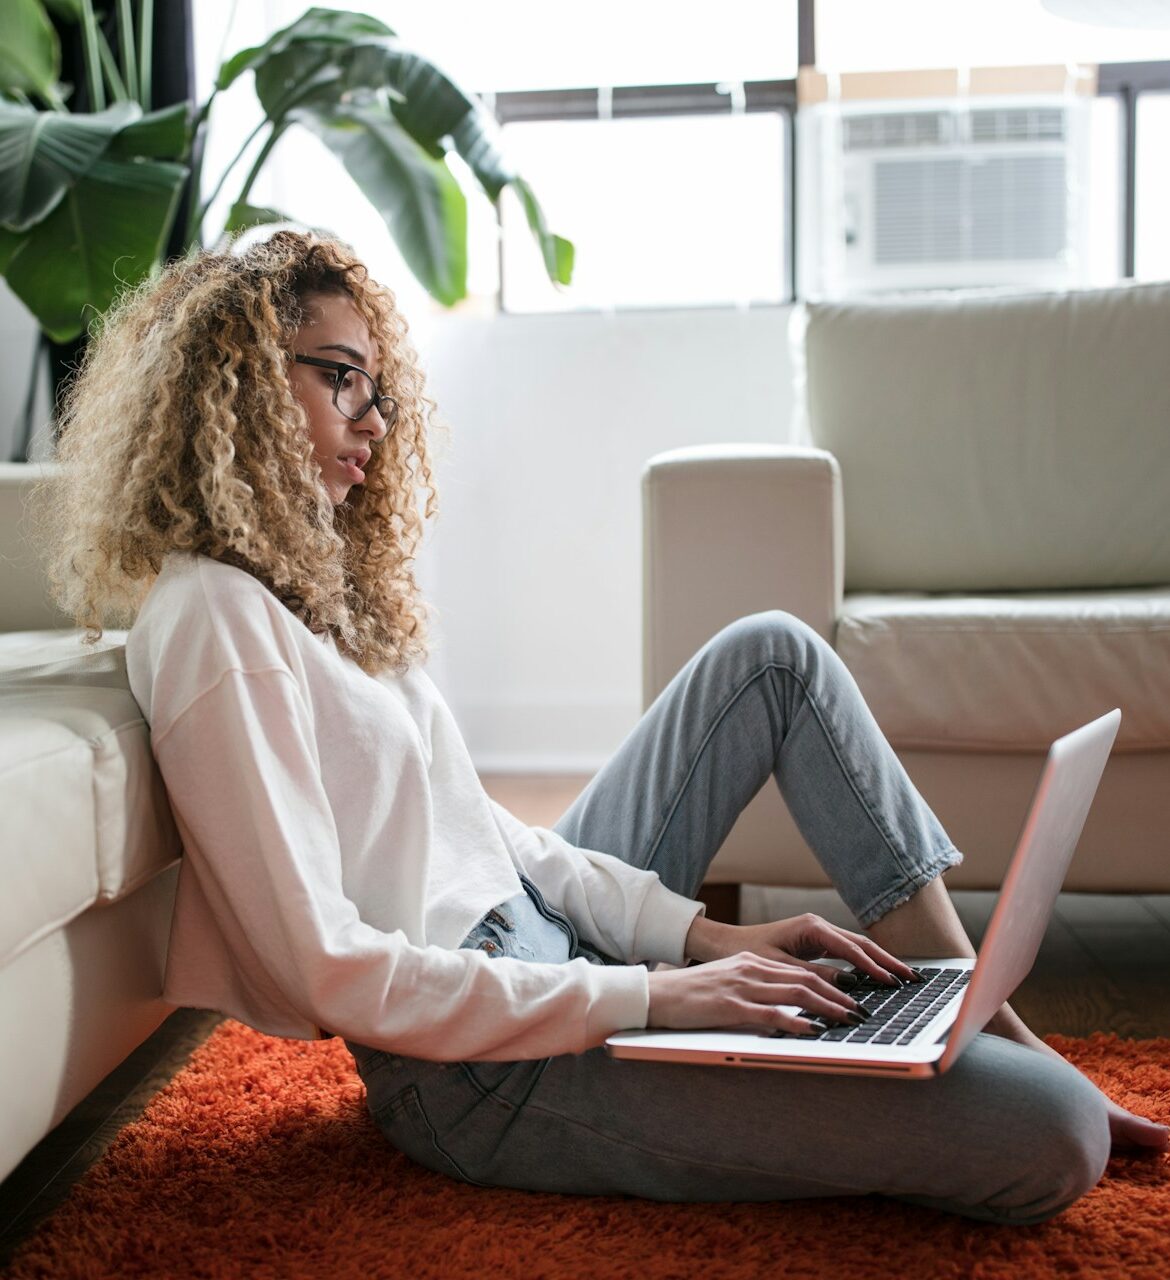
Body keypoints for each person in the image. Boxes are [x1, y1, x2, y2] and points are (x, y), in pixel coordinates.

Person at [30, 231, 1166, 1226]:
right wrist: (653, 995)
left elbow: (491, 837)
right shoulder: (213, 620)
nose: (373, 418)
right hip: (478, 1071)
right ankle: (989, 1055)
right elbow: (326, 967)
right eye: (341, 377)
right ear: (235, 384)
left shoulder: (321, 595)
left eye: (379, 388)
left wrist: (696, 938)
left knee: (772, 653)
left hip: (548, 949)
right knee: (1054, 1133)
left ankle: (978, 1014)